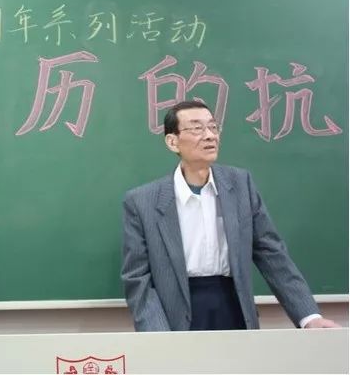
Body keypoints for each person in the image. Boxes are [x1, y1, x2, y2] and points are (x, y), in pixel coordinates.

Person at [121, 101, 339, 331]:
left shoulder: (240, 184)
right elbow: (137, 279)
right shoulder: (142, 201)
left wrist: (309, 317)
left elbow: (272, 254)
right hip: (175, 317)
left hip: (234, 309)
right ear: (172, 141)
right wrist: (158, 336)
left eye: (213, 127)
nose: (209, 136)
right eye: (196, 128)